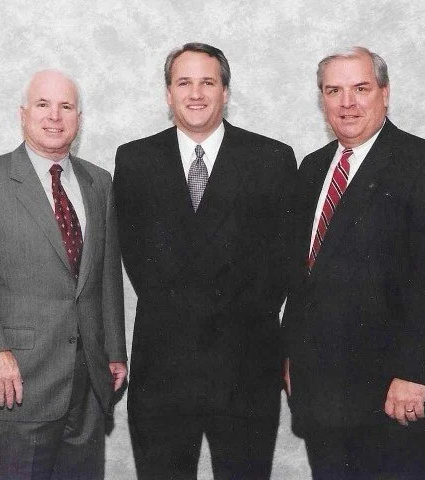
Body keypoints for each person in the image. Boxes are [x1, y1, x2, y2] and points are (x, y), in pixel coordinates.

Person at [282, 46, 425, 479]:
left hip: (395, 396)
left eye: (361, 88)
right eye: (334, 90)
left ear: (385, 93)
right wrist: (292, 356)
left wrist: (415, 373)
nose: (347, 102)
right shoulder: (312, 169)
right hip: (321, 395)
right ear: (322, 99)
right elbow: (303, 279)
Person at [114, 42, 297, 479]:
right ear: (168, 94)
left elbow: (281, 267)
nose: (196, 94)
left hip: (245, 371)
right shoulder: (135, 160)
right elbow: (139, 261)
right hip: (163, 373)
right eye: (184, 83)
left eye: (207, 82)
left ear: (226, 92)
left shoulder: (271, 159)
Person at [0, 69, 127, 480]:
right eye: (43, 104)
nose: (54, 116)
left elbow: (105, 276)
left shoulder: (98, 182)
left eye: (66, 106)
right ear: (23, 114)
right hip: (16, 383)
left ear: (78, 119)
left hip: (88, 385)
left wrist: (114, 350)